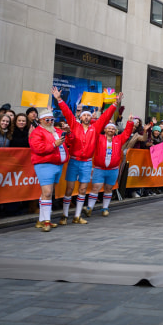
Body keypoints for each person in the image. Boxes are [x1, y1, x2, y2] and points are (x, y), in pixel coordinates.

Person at [52, 86, 121, 225]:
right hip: (74, 161)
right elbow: (66, 112)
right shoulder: (74, 125)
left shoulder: (95, 128)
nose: (86, 117)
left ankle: (77, 216)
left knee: (83, 189)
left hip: (87, 163)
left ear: (91, 117)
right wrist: (59, 99)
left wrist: (115, 104)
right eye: (84, 115)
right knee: (70, 189)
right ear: (80, 116)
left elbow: (106, 116)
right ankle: (64, 215)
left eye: (89, 115)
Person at [29, 108, 71, 232]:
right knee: (47, 192)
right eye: (47, 120)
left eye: (52, 119)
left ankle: (41, 220)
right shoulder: (37, 132)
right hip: (45, 164)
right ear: (41, 120)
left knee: (47, 193)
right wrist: (54, 144)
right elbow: (38, 148)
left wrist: (69, 133)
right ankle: (47, 221)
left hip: (58, 164)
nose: (50, 122)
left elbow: (69, 142)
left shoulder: (57, 130)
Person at [86, 117, 134, 217]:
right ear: (105, 129)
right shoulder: (98, 138)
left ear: (115, 130)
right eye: (109, 128)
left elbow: (126, 134)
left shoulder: (118, 139)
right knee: (96, 188)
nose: (111, 130)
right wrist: (93, 119)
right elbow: (94, 128)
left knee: (108, 188)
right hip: (99, 169)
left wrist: (129, 122)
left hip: (113, 170)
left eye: (113, 129)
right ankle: (89, 208)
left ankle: (105, 208)